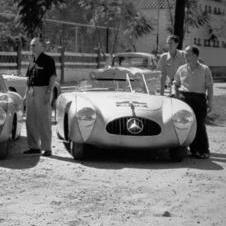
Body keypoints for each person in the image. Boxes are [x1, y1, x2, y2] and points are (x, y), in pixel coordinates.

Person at [172, 45, 214, 159]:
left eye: (188, 54)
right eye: (185, 54)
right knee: (186, 125)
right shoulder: (181, 69)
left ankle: (203, 151)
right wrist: (177, 96)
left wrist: (210, 102)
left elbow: (209, 87)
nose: (185, 56)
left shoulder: (205, 69)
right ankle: (191, 150)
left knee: (199, 125)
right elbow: (175, 84)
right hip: (185, 99)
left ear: (195, 55)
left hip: (199, 99)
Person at [23, 37, 57, 156]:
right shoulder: (32, 59)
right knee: (30, 119)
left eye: (34, 45)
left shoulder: (48, 60)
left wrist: (48, 93)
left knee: (44, 120)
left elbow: (52, 77)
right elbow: (29, 78)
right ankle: (34, 147)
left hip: (43, 90)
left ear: (41, 47)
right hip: (31, 91)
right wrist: (25, 93)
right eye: (31, 45)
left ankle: (47, 148)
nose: (31, 47)